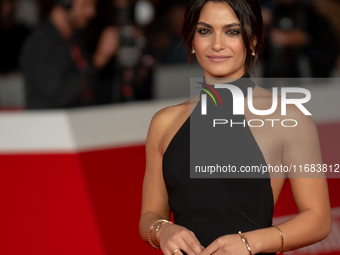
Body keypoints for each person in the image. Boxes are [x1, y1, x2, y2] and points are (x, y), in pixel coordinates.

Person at [139, 0, 332, 255]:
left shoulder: (289, 117)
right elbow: (149, 216)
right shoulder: (164, 122)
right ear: (192, 41)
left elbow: (318, 219)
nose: (217, 44)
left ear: (252, 40)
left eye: (232, 31)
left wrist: (250, 243)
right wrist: (163, 230)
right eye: (205, 31)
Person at [20, 0, 119, 109]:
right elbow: (61, 94)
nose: (92, 12)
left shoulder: (75, 38)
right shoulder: (40, 43)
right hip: (52, 123)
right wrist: (98, 60)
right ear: (65, 2)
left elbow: (92, 91)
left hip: (82, 120)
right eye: (85, 5)